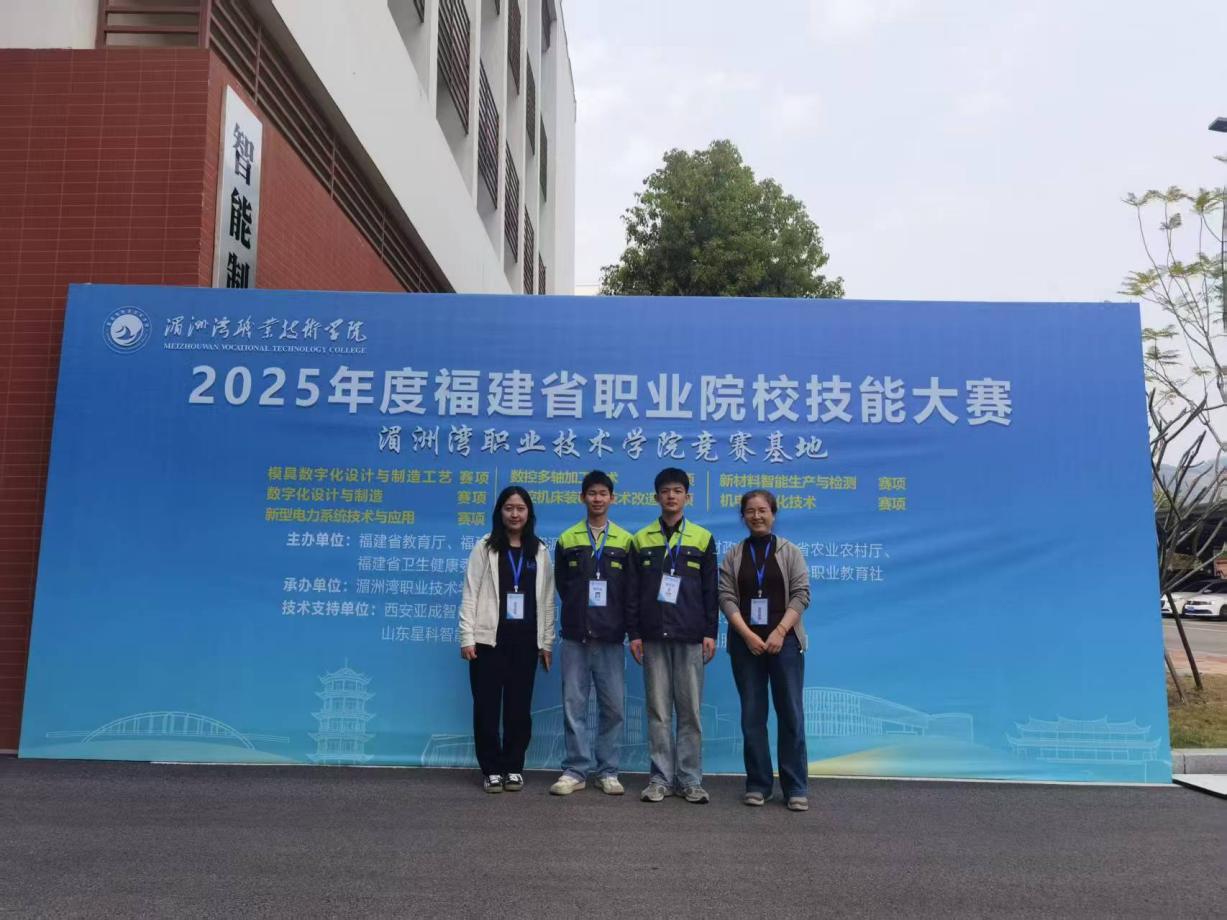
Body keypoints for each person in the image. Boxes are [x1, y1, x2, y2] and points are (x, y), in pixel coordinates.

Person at [627, 467, 718, 804]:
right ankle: (660, 779)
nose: (671, 496)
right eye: (665, 491)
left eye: (677, 491)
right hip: (653, 637)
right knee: (658, 711)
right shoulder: (641, 539)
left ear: (687, 497)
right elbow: (632, 592)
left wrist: (710, 632)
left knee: (690, 712)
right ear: (656, 497)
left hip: (691, 636)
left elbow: (710, 591)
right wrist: (634, 634)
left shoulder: (702, 538)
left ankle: (690, 780)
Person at [458, 486, 556, 793]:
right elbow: (470, 593)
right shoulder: (485, 547)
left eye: (520, 509)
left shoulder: (539, 551)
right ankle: (491, 769)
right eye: (509, 508)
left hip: (525, 642)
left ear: (529, 514)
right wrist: (467, 636)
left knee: (518, 709)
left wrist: (546, 642)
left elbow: (547, 600)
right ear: (500, 512)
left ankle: (513, 766)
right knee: (486, 708)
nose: (515, 514)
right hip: (488, 642)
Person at [718, 489, 811, 811]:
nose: (757, 516)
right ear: (742, 516)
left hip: (785, 644)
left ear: (773, 513)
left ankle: (795, 787)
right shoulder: (734, 554)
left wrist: (780, 632)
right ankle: (758, 784)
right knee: (752, 717)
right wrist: (747, 635)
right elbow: (726, 597)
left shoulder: (790, 551)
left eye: (762, 510)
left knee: (790, 714)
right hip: (747, 647)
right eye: (750, 511)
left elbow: (801, 595)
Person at [549, 470, 635, 796]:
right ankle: (575, 770)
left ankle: (608, 771)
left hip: (611, 639)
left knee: (614, 709)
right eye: (592, 493)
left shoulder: (626, 541)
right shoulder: (567, 539)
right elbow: (564, 586)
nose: (597, 499)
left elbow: (630, 592)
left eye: (603, 493)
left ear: (612, 498)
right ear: (582, 497)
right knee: (574, 706)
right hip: (575, 638)